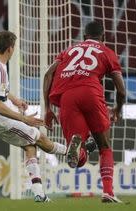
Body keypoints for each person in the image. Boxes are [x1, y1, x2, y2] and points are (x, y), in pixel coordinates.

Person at [0, 31, 67, 202]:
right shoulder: (0, 70)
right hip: (0, 121)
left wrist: (15, 100)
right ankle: (71, 153)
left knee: (28, 144)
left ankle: (39, 193)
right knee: (38, 137)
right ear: (10, 49)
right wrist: (24, 119)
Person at [43, 20, 126, 203]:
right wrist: (117, 109)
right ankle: (108, 192)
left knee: (78, 161)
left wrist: (47, 108)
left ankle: (79, 147)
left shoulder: (68, 51)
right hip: (91, 92)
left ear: (84, 37)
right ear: (103, 37)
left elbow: (48, 74)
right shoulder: (106, 52)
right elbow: (121, 90)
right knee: (104, 146)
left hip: (67, 98)